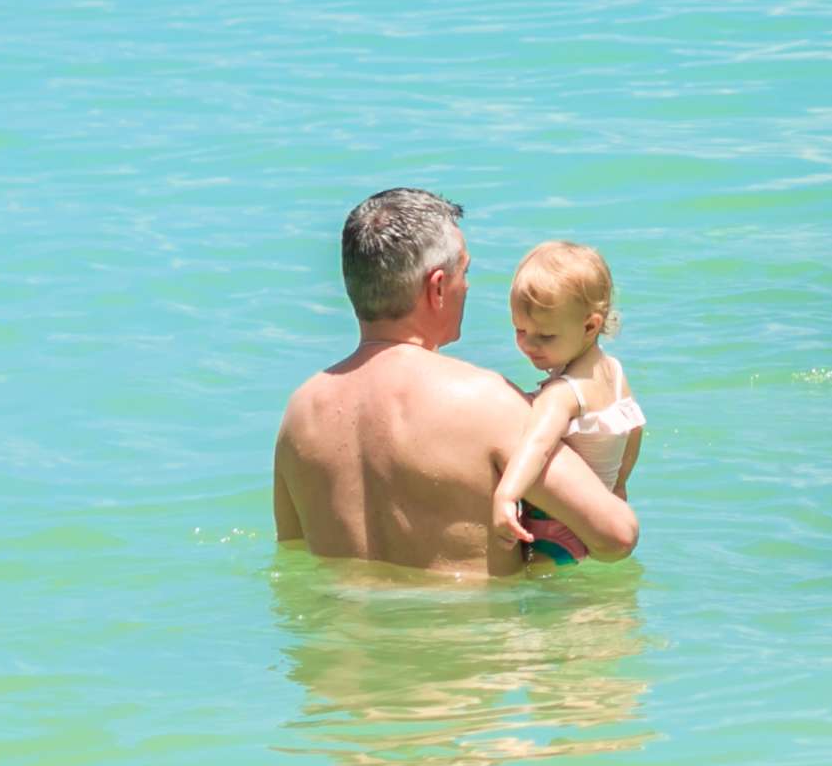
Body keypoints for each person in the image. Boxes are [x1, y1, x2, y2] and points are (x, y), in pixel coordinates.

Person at [272, 188, 640, 578]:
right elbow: (615, 537)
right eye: (464, 272)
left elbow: (293, 556)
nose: (466, 287)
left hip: (344, 637)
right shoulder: (483, 401)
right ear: (436, 287)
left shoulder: (300, 413)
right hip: (471, 636)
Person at [494, 239, 646, 562]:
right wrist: (619, 486)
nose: (529, 345)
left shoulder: (563, 394)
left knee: (538, 605)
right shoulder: (614, 372)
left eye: (545, 336)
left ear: (590, 325)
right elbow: (634, 429)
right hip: (595, 520)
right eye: (520, 330)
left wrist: (507, 495)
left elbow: (536, 445)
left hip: (553, 532)